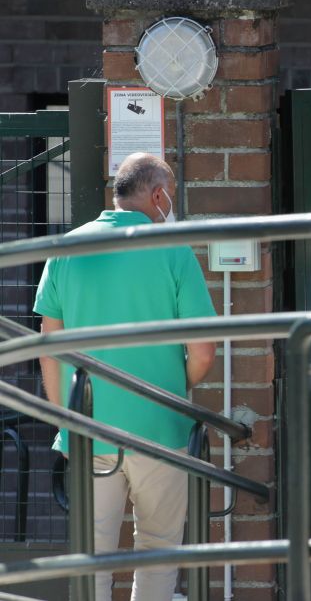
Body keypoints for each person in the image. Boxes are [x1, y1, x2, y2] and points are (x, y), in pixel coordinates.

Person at [34, 152, 217, 601]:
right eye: (169, 197)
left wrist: (65, 420)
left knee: (93, 554)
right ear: (157, 195)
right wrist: (177, 385)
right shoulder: (174, 250)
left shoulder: (66, 247)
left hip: (88, 426)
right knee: (157, 548)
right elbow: (204, 350)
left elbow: (48, 344)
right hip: (160, 427)